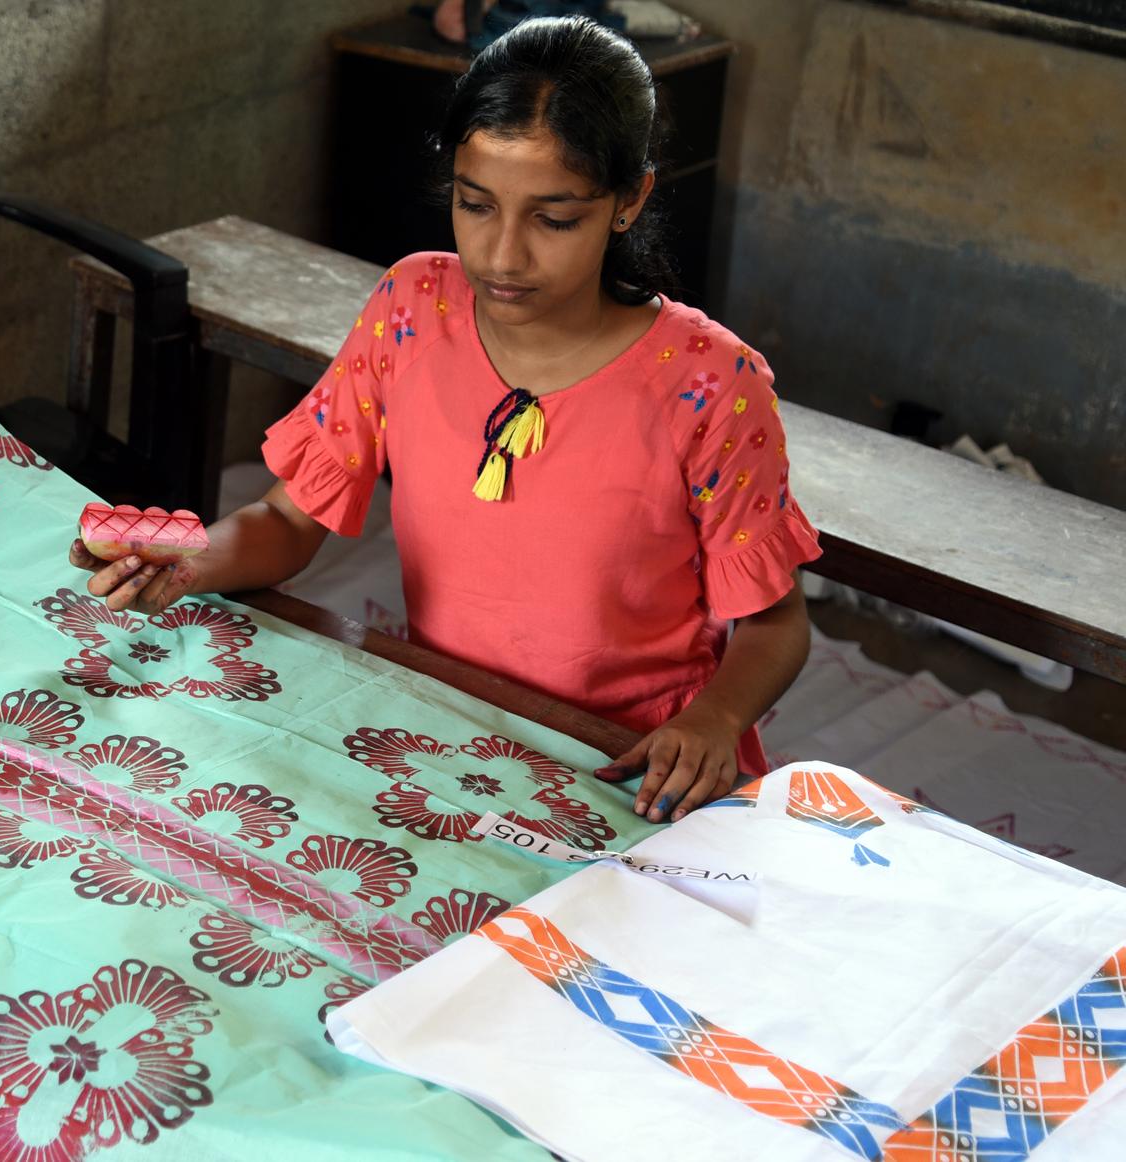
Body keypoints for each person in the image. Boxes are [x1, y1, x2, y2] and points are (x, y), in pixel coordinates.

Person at [70, 16, 822, 825]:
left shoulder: (709, 383)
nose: (502, 255)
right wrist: (180, 562)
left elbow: (776, 622)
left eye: (554, 219)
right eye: (475, 204)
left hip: (633, 768)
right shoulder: (412, 309)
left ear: (629, 199)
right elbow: (288, 521)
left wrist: (713, 719)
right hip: (453, 739)